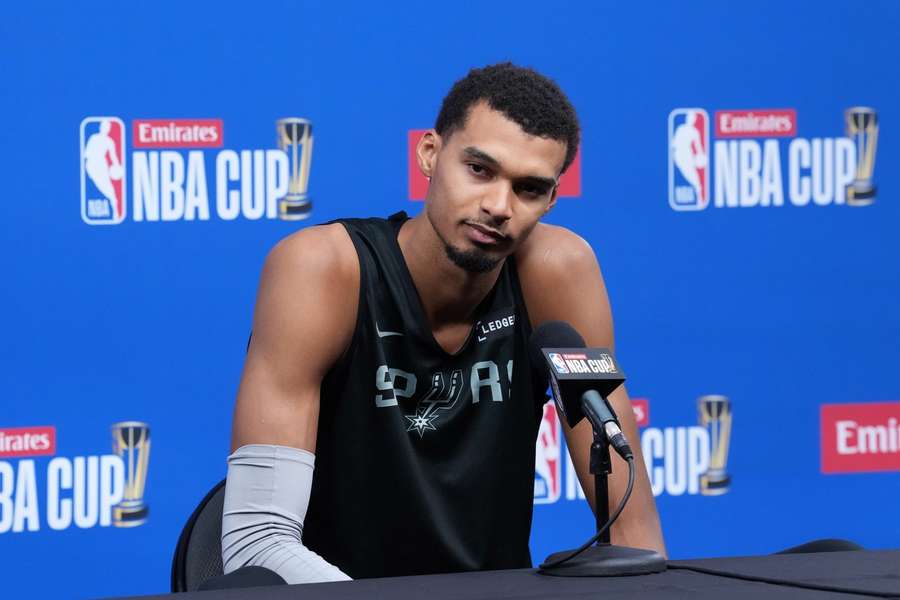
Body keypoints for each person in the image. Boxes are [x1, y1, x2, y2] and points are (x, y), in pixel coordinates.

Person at [220, 62, 665, 586]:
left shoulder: (558, 272)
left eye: (527, 188)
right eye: (479, 169)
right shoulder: (324, 270)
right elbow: (257, 541)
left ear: (550, 199)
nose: (498, 206)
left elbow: (634, 534)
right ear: (429, 154)